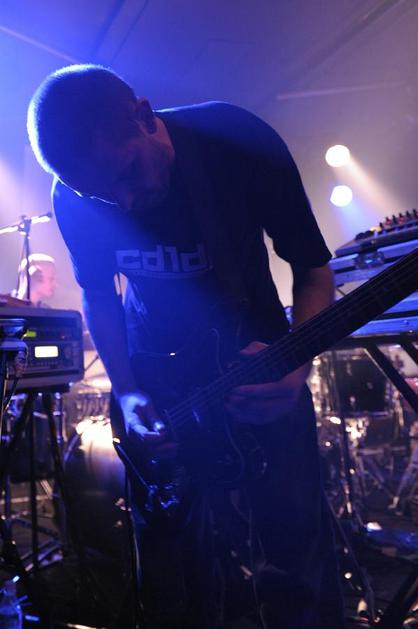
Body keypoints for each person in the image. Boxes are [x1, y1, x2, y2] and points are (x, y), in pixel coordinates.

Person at [26, 64, 345, 628]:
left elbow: (314, 270)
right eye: (102, 193)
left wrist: (295, 361)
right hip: (157, 389)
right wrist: (127, 392)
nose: (124, 202)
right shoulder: (72, 196)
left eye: (126, 173)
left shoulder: (234, 141)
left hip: (260, 369)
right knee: (173, 577)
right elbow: (98, 295)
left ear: (144, 116)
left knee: (295, 564)